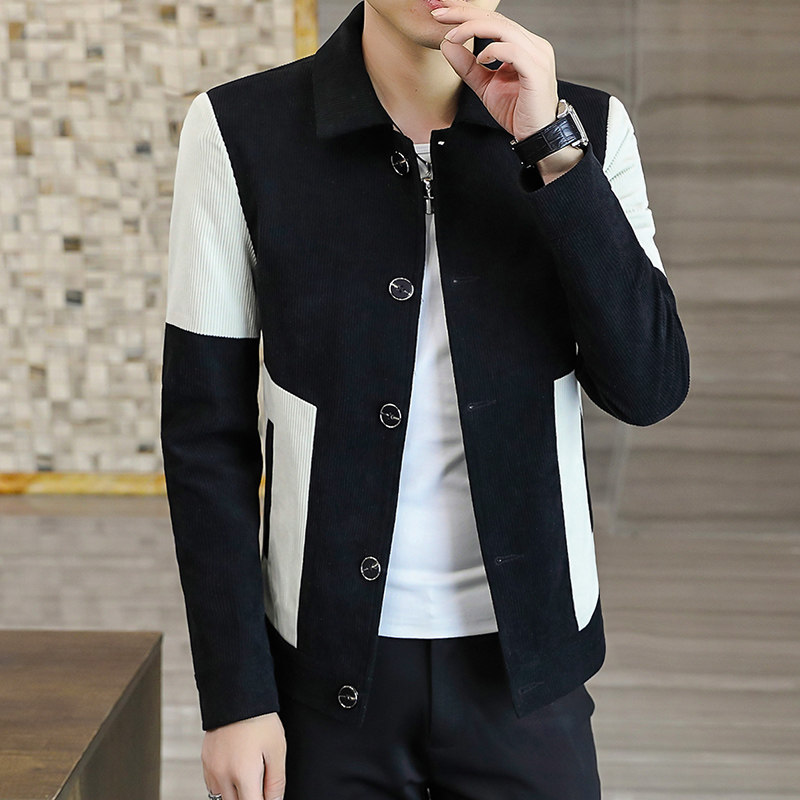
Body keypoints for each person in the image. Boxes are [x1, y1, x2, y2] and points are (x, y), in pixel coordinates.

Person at [160, 0, 690, 798]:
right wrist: (236, 699)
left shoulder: (589, 128)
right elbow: (205, 437)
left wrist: (552, 152)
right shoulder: (237, 129)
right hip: (323, 665)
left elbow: (648, 387)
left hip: (530, 671)